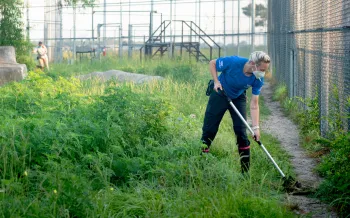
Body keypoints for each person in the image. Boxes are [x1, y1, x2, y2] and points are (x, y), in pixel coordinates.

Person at [201, 51, 271, 173]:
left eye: (265, 70)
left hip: (238, 97)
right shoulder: (234, 62)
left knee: (241, 132)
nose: (263, 73)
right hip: (220, 93)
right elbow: (212, 63)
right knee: (209, 129)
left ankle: (245, 172)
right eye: (262, 69)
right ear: (252, 63)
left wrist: (256, 128)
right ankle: (200, 164)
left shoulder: (258, 79)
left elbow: (254, 104)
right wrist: (216, 81)